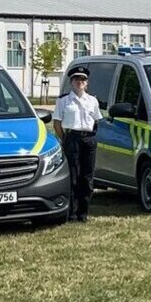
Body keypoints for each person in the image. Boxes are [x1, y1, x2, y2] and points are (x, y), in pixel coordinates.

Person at [52, 64, 101, 221]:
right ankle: (72, 213)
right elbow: (57, 123)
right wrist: (65, 139)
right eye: (76, 79)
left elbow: (96, 121)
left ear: (87, 83)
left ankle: (83, 213)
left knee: (87, 177)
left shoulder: (92, 100)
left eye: (82, 80)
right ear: (71, 82)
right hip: (72, 139)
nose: (79, 82)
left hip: (88, 139)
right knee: (73, 176)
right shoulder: (64, 101)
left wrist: (91, 137)